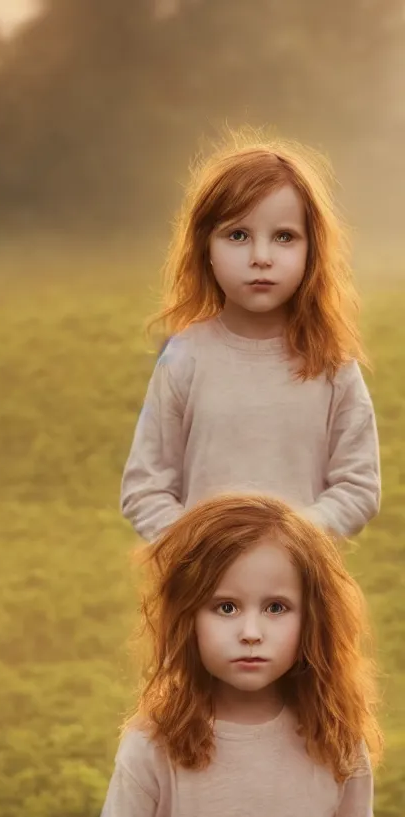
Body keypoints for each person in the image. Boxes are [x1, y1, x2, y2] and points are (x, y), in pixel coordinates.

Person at [79, 494, 404, 817]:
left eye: (276, 607)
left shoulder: (337, 738)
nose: (251, 631)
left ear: (312, 616)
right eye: (225, 606)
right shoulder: (155, 742)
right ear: (188, 616)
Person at [120, 130, 381, 543]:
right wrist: (201, 551)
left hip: (297, 596)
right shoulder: (184, 358)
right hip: (204, 594)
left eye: (284, 237)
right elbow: (145, 488)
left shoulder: (332, 365)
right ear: (205, 246)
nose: (261, 256)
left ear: (312, 251)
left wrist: (290, 541)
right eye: (238, 235)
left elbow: (358, 486)